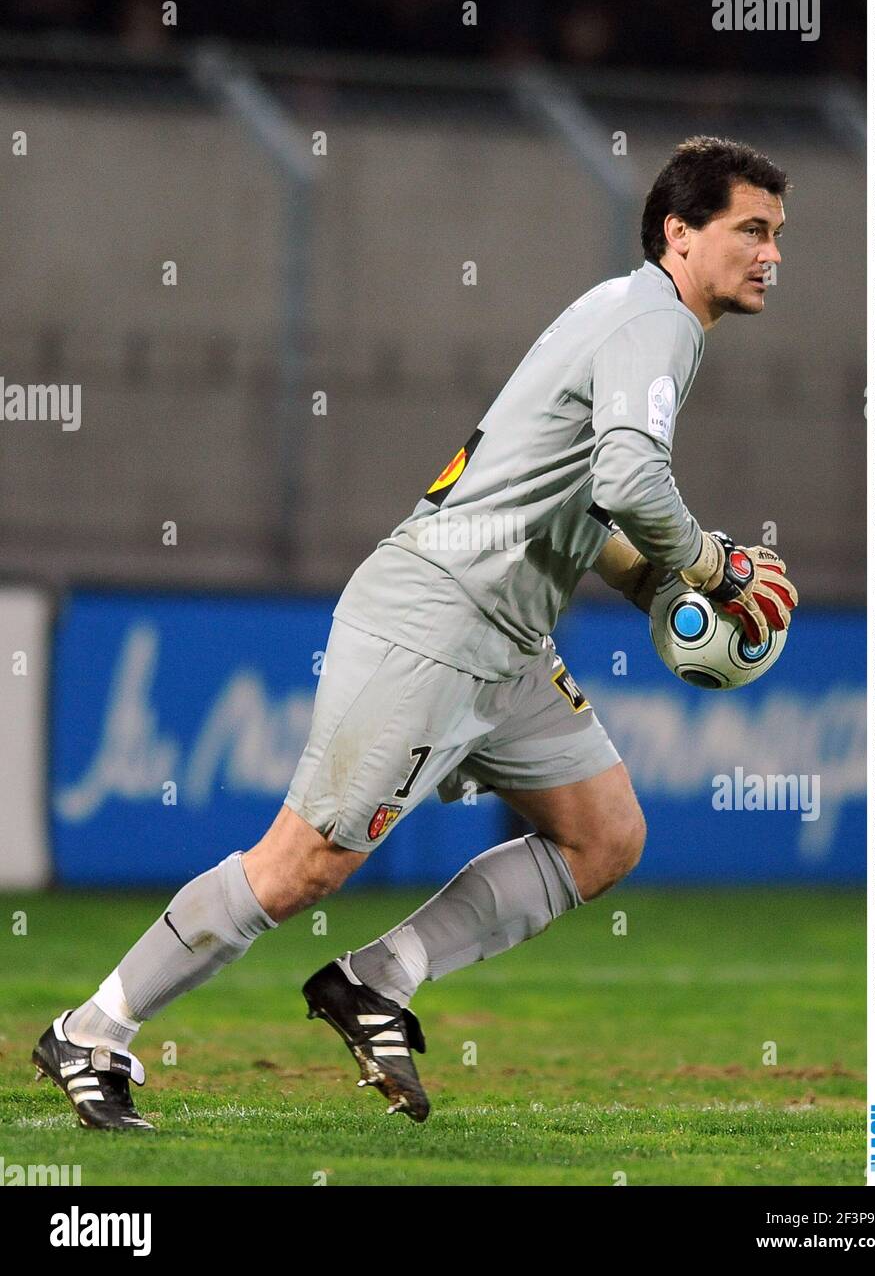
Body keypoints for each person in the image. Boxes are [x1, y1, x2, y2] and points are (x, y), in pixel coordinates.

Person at [32, 135, 798, 1129]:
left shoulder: (629, 315)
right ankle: (93, 1030)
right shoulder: (653, 321)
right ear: (679, 231)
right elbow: (628, 482)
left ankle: (375, 979)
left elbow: (580, 502)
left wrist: (658, 586)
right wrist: (715, 566)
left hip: (505, 636)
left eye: (776, 235)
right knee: (302, 863)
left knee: (602, 833)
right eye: (750, 230)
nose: (771, 253)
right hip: (436, 615)